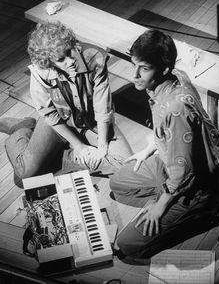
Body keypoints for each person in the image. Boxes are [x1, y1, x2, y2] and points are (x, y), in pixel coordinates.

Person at [109, 29, 219, 258]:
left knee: (127, 244)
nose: (135, 75)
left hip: (195, 185)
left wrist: (161, 205)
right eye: (134, 65)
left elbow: (184, 171)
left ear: (164, 69)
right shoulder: (174, 76)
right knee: (117, 182)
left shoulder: (175, 108)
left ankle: (204, 211)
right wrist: (148, 149)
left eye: (144, 68)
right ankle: (168, 195)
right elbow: (170, 136)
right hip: (172, 162)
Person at [0, 21, 132, 186]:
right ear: (50, 62)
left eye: (70, 52)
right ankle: (20, 128)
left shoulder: (95, 58)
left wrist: (102, 146)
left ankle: (60, 154)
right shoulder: (41, 71)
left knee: (125, 166)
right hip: (58, 123)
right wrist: (79, 146)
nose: (70, 61)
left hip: (90, 120)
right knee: (24, 177)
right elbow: (50, 115)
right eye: (61, 59)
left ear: (73, 44)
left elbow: (102, 108)